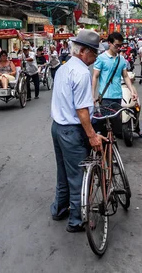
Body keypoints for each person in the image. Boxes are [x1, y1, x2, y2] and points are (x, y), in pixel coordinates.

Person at [50, 30, 106, 232]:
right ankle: (76, 219)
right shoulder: (82, 72)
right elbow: (81, 110)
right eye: (93, 53)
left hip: (58, 128)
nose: (95, 57)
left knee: (63, 172)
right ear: (83, 51)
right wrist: (92, 135)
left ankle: (59, 208)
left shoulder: (64, 68)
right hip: (71, 131)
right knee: (78, 177)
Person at [92, 32, 138, 106]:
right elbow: (95, 76)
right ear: (109, 43)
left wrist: (132, 91)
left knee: (118, 117)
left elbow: (125, 76)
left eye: (120, 45)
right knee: (107, 117)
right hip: (105, 97)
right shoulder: (101, 58)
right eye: (117, 45)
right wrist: (92, 95)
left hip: (118, 96)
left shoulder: (122, 59)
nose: (119, 48)